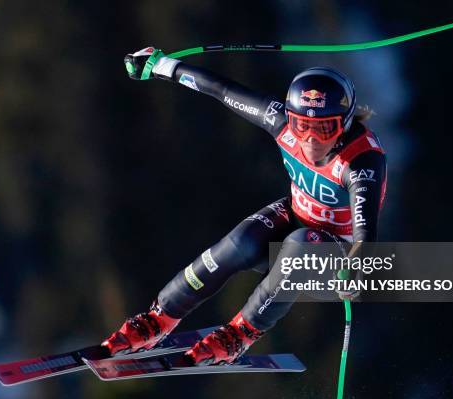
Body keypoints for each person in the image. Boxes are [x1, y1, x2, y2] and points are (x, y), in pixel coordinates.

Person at [103, 46, 387, 366]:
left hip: (336, 256)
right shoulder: (279, 122)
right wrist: (160, 65)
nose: (310, 139)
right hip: (297, 217)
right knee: (241, 243)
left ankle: (240, 334)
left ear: (345, 123)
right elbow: (223, 90)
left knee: (300, 245)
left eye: (324, 128)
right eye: (300, 126)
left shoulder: (361, 162)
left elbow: (366, 238)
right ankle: (159, 319)